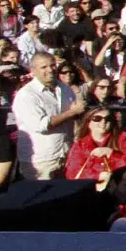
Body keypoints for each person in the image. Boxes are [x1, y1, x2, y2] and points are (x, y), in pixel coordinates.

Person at [11, 51, 80, 179]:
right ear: (33, 71)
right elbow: (41, 125)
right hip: (41, 160)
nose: (50, 70)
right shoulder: (27, 95)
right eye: (44, 67)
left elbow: (71, 117)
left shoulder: (65, 89)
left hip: (65, 154)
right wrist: (72, 112)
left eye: (52, 65)